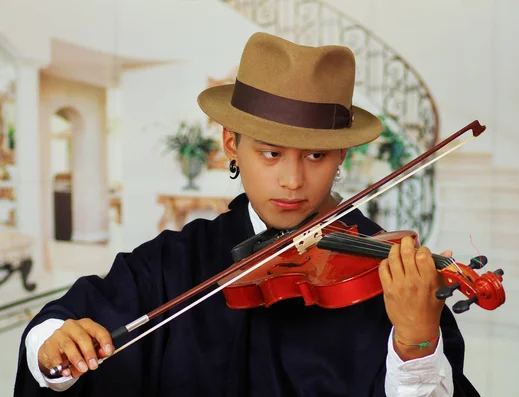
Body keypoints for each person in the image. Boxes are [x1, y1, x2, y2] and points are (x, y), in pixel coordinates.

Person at [13, 32, 480, 397]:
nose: (293, 181)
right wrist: (53, 345)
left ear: (341, 157)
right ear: (231, 144)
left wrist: (416, 343)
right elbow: (55, 326)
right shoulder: (177, 258)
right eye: (272, 154)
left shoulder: (388, 273)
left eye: (316, 157)